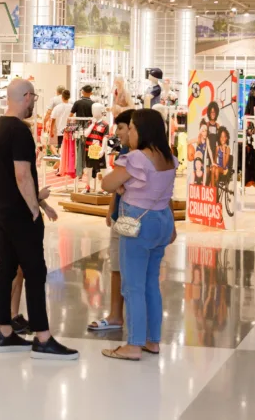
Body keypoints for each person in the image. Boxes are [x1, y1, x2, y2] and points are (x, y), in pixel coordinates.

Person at [0, 78, 79, 360]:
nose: (35, 103)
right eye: (34, 98)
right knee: (35, 272)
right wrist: (35, 210)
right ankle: (43, 337)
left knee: (5, 270)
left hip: (0, 210)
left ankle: (4, 331)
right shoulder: (20, 131)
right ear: (26, 97)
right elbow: (22, 175)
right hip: (19, 214)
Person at [100, 108, 177, 361]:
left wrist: (120, 185)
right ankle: (151, 340)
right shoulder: (168, 157)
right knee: (150, 284)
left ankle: (133, 344)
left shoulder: (137, 158)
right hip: (161, 222)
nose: (128, 132)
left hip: (138, 223)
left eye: (131, 127)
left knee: (132, 285)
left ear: (141, 130)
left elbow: (107, 183)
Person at [88, 108, 133, 333]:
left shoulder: (146, 154)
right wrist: (111, 209)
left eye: (122, 128)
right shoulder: (125, 151)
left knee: (134, 271)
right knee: (115, 266)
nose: (119, 133)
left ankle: (135, 321)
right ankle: (116, 315)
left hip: (136, 219)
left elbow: (111, 183)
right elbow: (114, 185)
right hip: (120, 216)